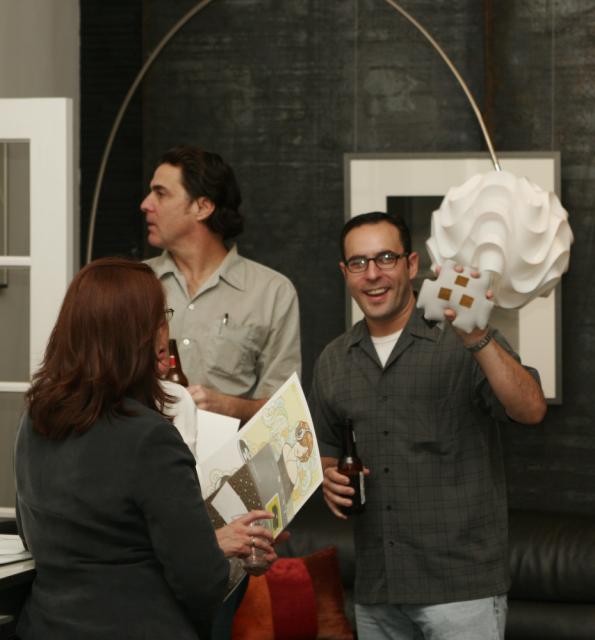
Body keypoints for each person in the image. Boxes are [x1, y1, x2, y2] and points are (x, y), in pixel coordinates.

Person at [309, 212, 547, 640]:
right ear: (345, 273)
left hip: (461, 589)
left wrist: (477, 338)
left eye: (386, 258)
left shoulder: (462, 337)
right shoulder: (334, 361)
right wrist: (328, 478)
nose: (373, 274)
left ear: (411, 264)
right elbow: (325, 451)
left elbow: (530, 410)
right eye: (359, 263)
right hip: (379, 588)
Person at [14, 257, 275, 640]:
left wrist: (205, 546)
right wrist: (234, 556)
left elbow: (35, 535)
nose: (166, 331)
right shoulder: (150, 437)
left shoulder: (34, 421)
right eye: (161, 316)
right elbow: (201, 582)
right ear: (136, 335)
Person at [142, 145, 301, 423]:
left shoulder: (272, 292)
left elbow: (285, 409)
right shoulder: (136, 283)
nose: (146, 204)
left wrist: (229, 407)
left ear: (202, 207)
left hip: (231, 451)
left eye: (161, 193)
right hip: (146, 447)